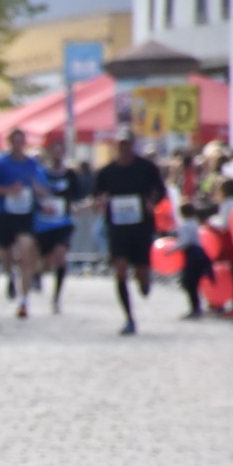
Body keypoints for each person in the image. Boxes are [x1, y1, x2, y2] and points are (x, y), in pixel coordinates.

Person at [93, 129, 167, 335]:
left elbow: (161, 191)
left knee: (141, 270)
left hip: (141, 224)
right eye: (120, 144)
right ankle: (129, 317)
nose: (124, 148)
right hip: (117, 225)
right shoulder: (106, 172)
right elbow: (97, 195)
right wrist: (100, 202)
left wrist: (152, 203)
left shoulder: (146, 167)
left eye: (127, 144)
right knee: (121, 268)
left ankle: (145, 281)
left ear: (133, 145)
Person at [0, 128, 49, 319]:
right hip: (6, 215)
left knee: (25, 251)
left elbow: (41, 187)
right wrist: (8, 190)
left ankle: (24, 300)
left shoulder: (32, 164)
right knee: (7, 252)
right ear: (10, 143)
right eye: (15, 141)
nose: (19, 144)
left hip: (25, 215)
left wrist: (42, 197)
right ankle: (9, 274)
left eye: (22, 141)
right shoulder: (2, 164)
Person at [35, 138, 86, 313]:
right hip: (43, 224)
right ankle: (37, 274)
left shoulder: (70, 175)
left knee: (61, 255)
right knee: (46, 262)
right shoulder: (41, 173)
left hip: (63, 222)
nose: (57, 155)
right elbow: (34, 194)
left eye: (60, 151)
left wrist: (77, 206)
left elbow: (78, 196)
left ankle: (56, 297)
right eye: (54, 151)